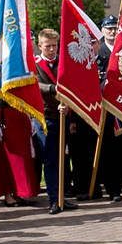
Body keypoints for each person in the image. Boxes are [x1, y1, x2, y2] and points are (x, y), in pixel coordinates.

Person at [34, 29, 78, 214]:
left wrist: (70, 114)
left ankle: (62, 196)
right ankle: (54, 199)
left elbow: (73, 86)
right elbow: (34, 84)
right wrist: (54, 89)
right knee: (51, 161)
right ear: (40, 46)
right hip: (45, 117)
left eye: (54, 45)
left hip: (65, 116)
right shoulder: (34, 64)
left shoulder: (64, 63)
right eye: (48, 46)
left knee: (63, 159)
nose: (52, 49)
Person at [92, 16, 122, 201]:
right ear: (102, 30)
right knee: (104, 150)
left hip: (121, 109)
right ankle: (103, 188)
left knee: (119, 151)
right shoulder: (99, 54)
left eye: (115, 28)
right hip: (102, 109)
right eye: (109, 28)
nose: (112, 31)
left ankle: (117, 187)